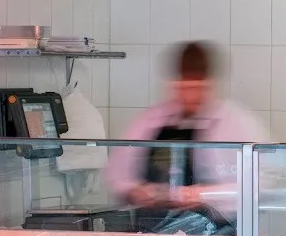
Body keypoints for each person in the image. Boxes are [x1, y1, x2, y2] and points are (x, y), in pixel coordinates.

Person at [104, 41, 267, 221]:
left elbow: (261, 184)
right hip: (153, 234)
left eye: (197, 89)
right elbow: (116, 173)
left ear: (210, 85)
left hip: (218, 235)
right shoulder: (151, 121)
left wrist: (203, 195)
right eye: (184, 88)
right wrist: (137, 191)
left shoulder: (234, 122)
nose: (190, 96)